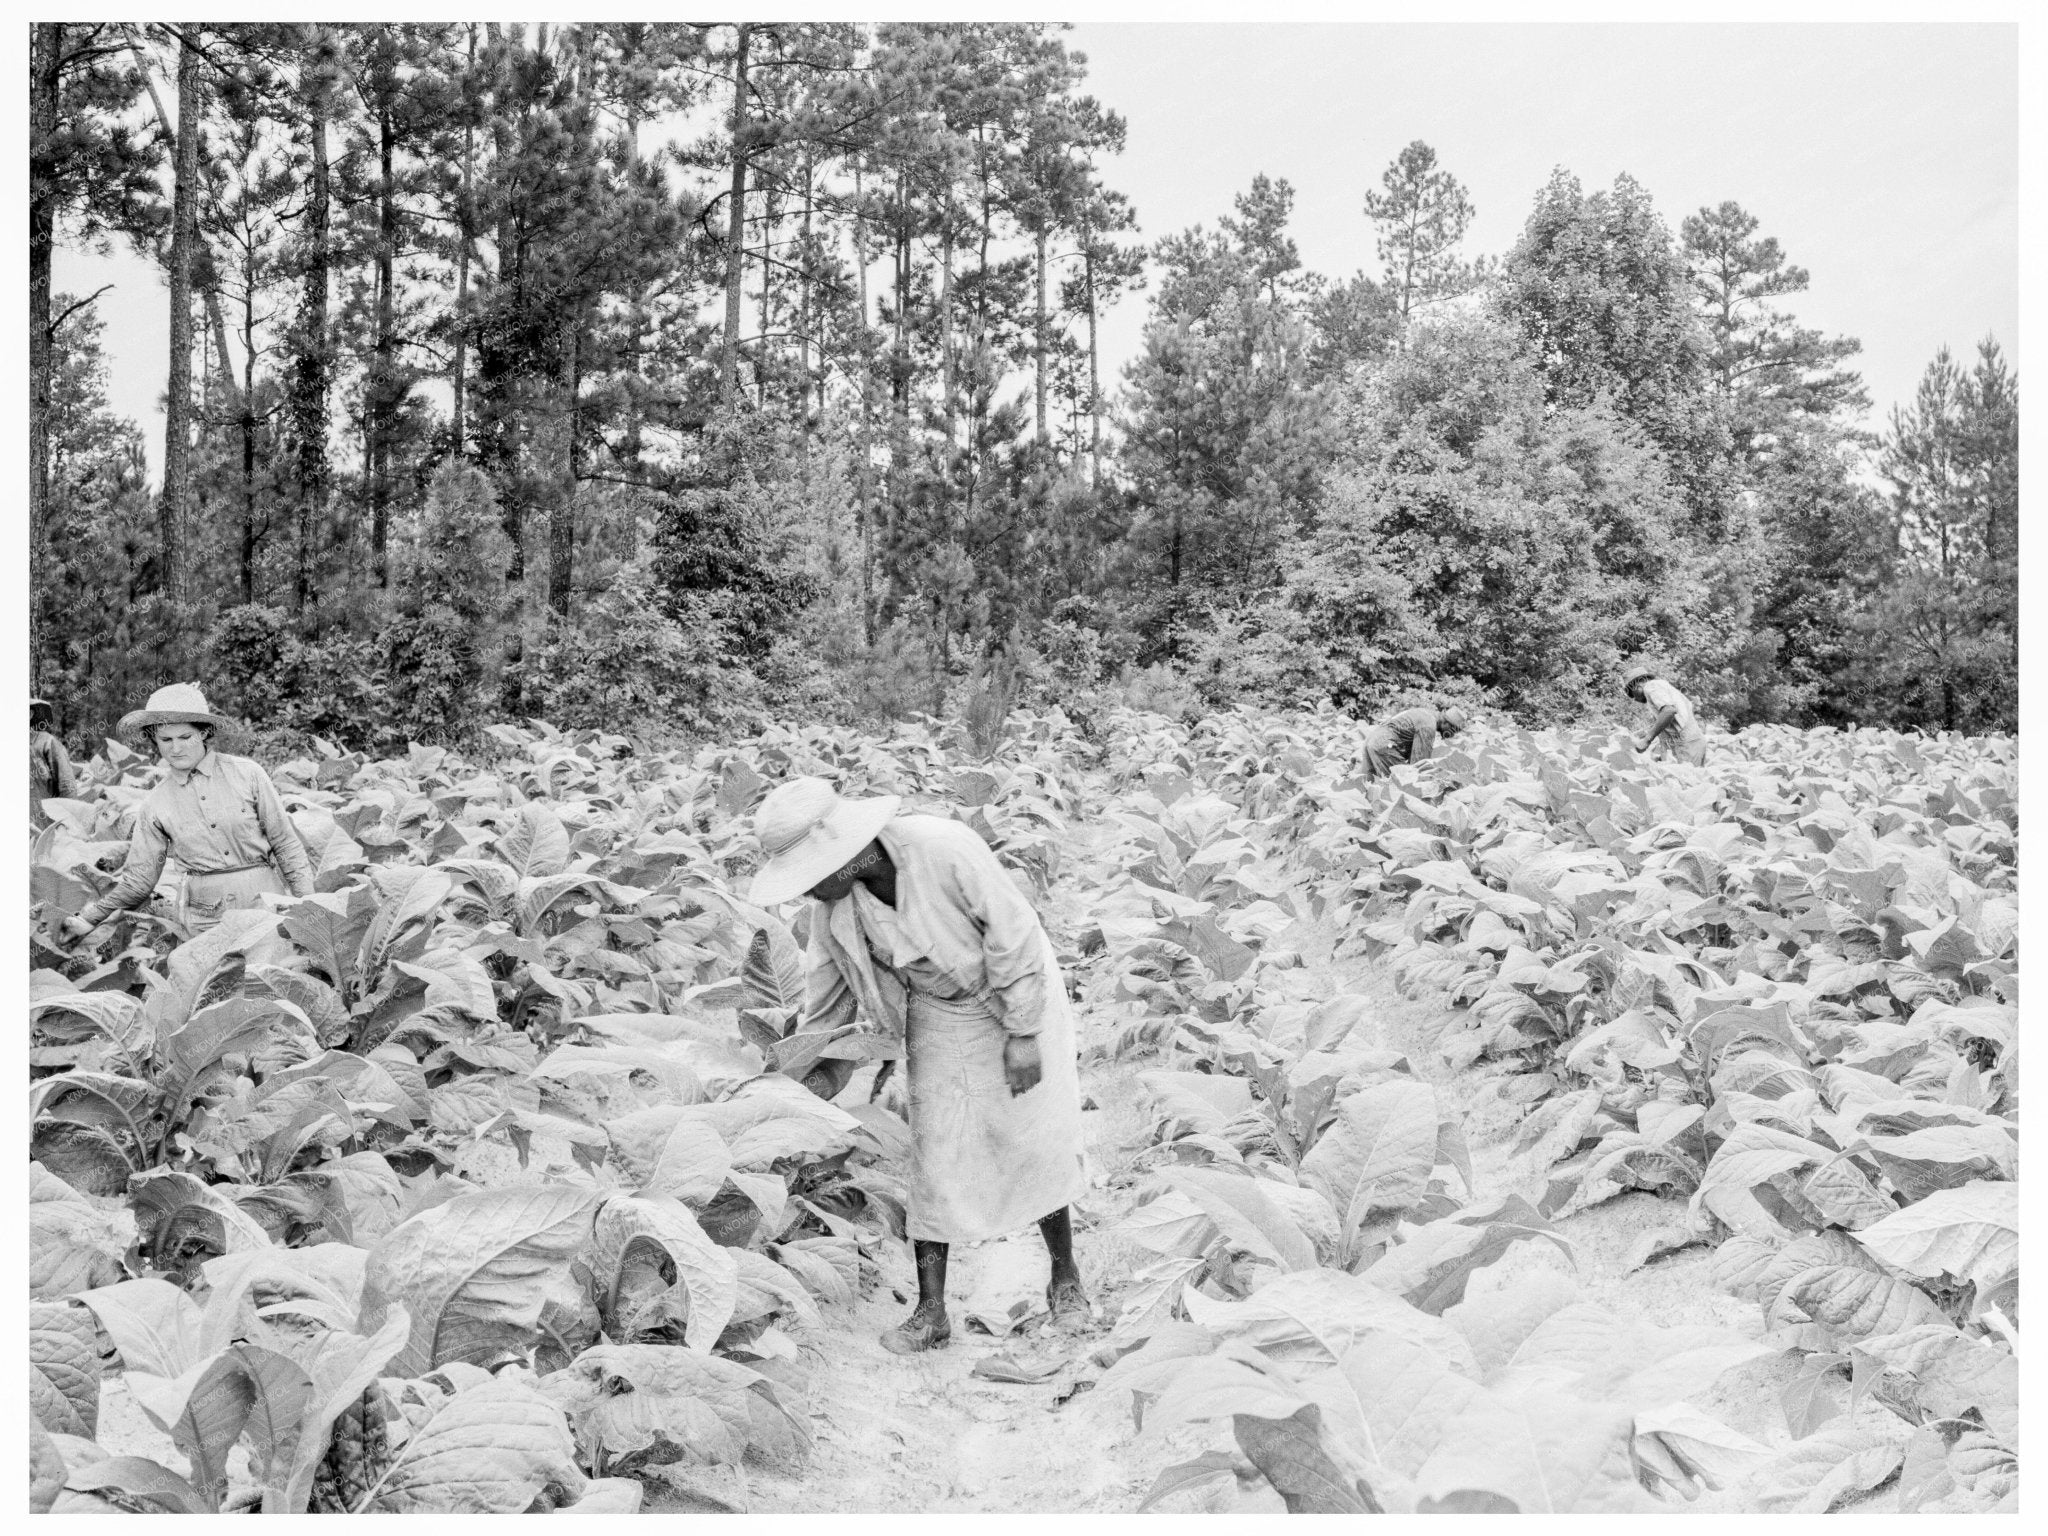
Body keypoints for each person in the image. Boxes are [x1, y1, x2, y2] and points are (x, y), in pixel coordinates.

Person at [749, 775, 1088, 1355]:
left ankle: (1066, 1279)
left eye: (810, 875)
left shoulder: (943, 848)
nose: (806, 891)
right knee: (934, 1153)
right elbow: (826, 1010)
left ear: (847, 853)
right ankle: (931, 1313)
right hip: (937, 1010)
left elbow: (1014, 936)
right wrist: (802, 1081)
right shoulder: (832, 914)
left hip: (1015, 994)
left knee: (1031, 1134)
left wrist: (1024, 1033)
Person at [55, 683, 315, 944]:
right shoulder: (155, 803)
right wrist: (88, 918)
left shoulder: (248, 774)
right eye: (166, 740)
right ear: (154, 740)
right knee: (213, 983)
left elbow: (286, 844)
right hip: (204, 920)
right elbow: (139, 882)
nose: (175, 749)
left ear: (203, 734)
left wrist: (307, 910)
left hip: (264, 907)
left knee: (264, 981)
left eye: (185, 738)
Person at [1622, 661, 1707, 766]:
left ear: (1636, 686)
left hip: (1686, 746)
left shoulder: (1651, 687)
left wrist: (1647, 740)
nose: (1636, 699)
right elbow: (1673, 721)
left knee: (1686, 781)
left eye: (1633, 695)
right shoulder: (1662, 686)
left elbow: (1669, 711)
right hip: (1693, 743)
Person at [1358, 702, 1469, 780]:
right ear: (1446, 723)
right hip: (1384, 746)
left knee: (1366, 783)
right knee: (1399, 784)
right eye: (1453, 730)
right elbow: (1419, 764)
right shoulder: (1428, 726)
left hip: (1372, 740)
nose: (1452, 735)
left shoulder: (1425, 713)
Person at [30, 696, 78, 831]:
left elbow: (67, 784)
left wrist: (68, 825)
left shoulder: (46, 742)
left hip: (46, 825)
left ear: (30, 714)